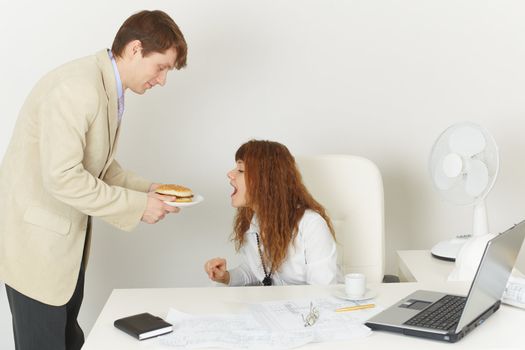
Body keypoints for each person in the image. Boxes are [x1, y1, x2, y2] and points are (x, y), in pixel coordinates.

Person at [0, 10, 187, 350]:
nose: (162, 80)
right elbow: (64, 177)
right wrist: (137, 207)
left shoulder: (105, 85)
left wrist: (148, 190)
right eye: (161, 67)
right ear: (134, 50)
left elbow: (97, 165)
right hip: (38, 255)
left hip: (64, 255)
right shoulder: (78, 88)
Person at [204, 140, 338, 286]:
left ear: (266, 180)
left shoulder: (311, 225)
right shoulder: (253, 222)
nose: (230, 174)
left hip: (312, 308)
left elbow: (322, 292)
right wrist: (225, 277)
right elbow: (258, 270)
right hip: (275, 306)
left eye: (241, 170)